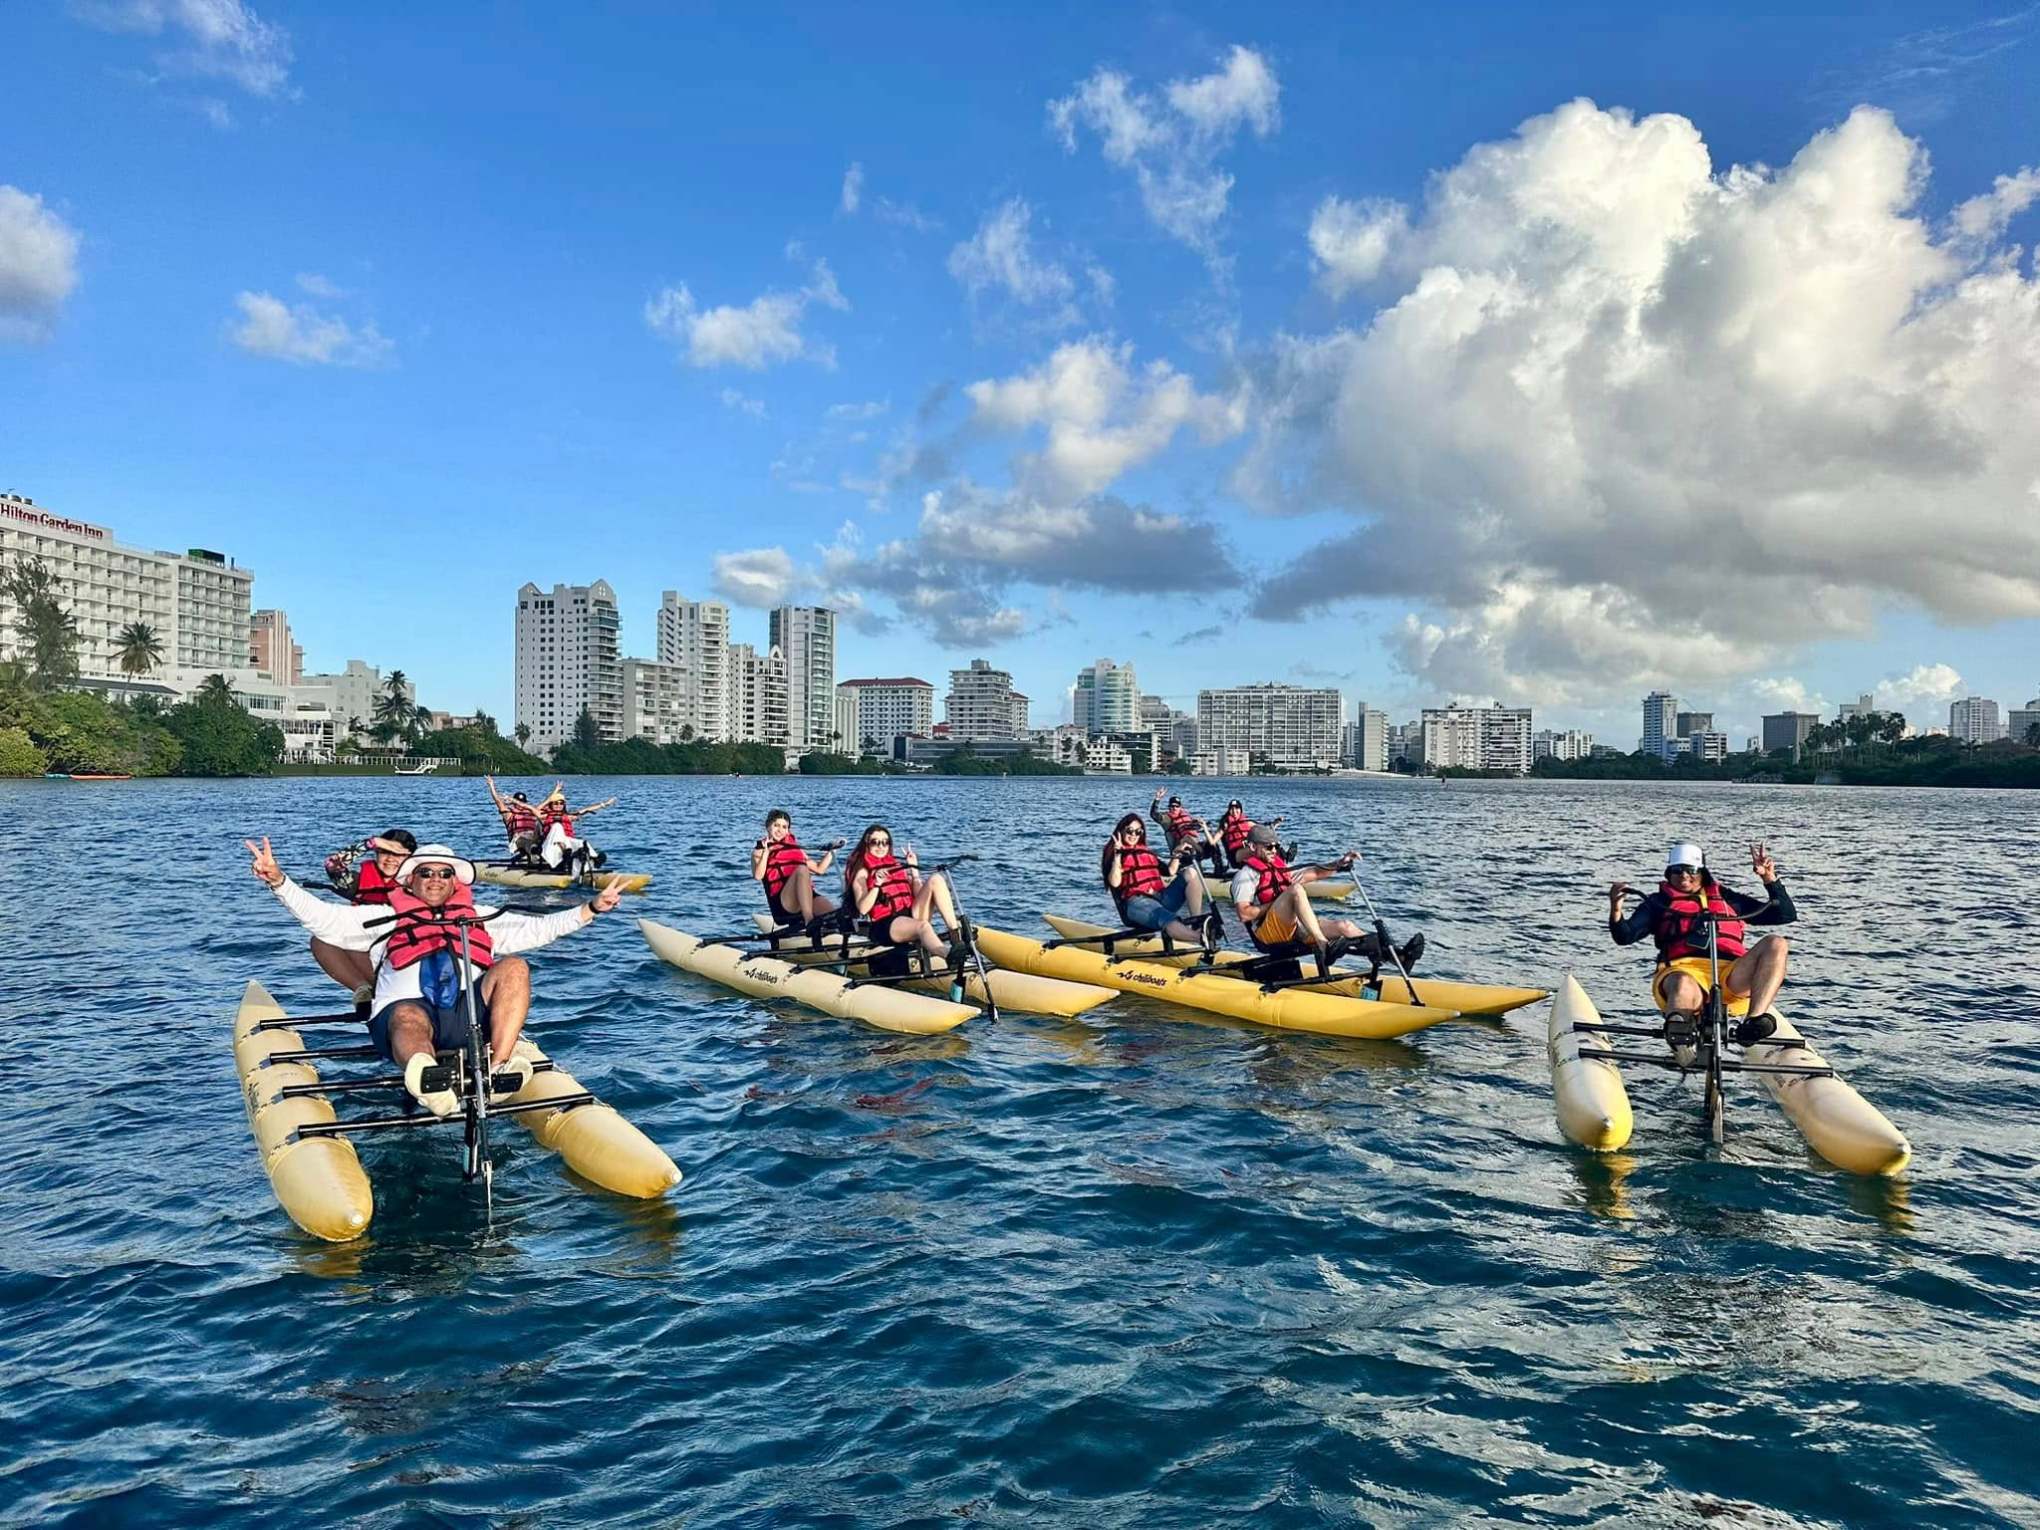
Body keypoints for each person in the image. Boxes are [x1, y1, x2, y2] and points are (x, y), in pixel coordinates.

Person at [247, 836, 622, 1116]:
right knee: (409, 1017)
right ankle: (426, 1079)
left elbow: (538, 929)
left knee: (515, 967)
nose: (436, 879)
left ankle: (497, 1069)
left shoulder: (480, 914)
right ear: (410, 881)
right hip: (402, 1018)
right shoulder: (380, 916)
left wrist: (590, 908)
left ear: (455, 883)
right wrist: (279, 881)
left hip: (466, 1020)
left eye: (445, 874)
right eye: (426, 873)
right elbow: (322, 918)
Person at [1608, 841, 1794, 1043]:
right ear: (1669, 874)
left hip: (1730, 975)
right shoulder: (1657, 903)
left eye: (1691, 870)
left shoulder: (1726, 898)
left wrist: (1769, 879)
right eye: (1677, 870)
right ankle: (1680, 1032)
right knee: (1682, 983)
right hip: (1683, 972)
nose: (1684, 876)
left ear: (1702, 872)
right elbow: (1625, 936)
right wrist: (1616, 910)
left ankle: (1753, 1022)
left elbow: (1784, 915)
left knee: (1777, 943)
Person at [1230, 824, 1423, 973]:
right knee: (1296, 889)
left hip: (1293, 928)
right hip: (1267, 934)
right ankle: (1323, 944)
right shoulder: (1246, 876)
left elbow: (1314, 872)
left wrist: (1339, 863)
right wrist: (1280, 900)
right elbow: (1245, 915)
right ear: (1253, 847)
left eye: (1276, 846)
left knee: (1344, 926)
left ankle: (1397, 957)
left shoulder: (1278, 867)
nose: (1274, 850)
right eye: (1268, 846)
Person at [843, 824, 966, 969]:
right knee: (923, 926)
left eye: (885, 842)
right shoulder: (862, 873)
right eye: (875, 842)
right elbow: (863, 908)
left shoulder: (894, 866)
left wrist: (914, 869)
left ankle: (955, 938)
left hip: (909, 914)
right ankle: (947, 955)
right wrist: (876, 884)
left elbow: (916, 894)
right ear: (866, 844)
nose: (881, 846)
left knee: (936, 879)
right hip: (886, 924)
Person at [313, 829, 417, 998]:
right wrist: (369, 844)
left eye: (398, 854)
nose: (390, 859)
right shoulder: (358, 882)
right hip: (366, 952)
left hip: (400, 954)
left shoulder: (419, 883)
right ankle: (363, 991)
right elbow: (332, 865)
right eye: (384, 852)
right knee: (320, 939)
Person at [1101, 811, 1220, 955]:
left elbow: (1170, 871)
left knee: (1191, 873)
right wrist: (1118, 856)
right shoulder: (1115, 854)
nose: (1133, 835)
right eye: (1129, 831)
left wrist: (1177, 854)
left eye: (1138, 831)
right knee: (1165, 917)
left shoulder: (1146, 853)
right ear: (1121, 831)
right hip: (1137, 903)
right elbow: (1114, 883)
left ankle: (1196, 923)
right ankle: (1199, 938)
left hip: (1161, 898)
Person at [753, 809, 844, 929]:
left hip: (807, 897)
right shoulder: (759, 851)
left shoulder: (794, 848)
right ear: (768, 826)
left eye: (784, 827)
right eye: (776, 825)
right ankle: (809, 920)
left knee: (833, 916)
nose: (780, 830)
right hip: (784, 903)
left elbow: (819, 869)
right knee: (802, 869)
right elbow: (758, 875)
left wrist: (833, 850)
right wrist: (766, 852)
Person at [536, 787, 617, 877]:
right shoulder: (544, 815)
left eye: (561, 803)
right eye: (555, 803)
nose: (558, 805)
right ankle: (564, 855)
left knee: (581, 843)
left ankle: (594, 860)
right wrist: (554, 792)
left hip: (567, 841)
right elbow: (537, 809)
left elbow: (586, 809)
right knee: (557, 826)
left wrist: (605, 804)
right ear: (551, 804)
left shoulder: (568, 815)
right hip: (551, 844)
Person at [1214, 799, 1288, 872]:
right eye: (1232, 809)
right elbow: (1213, 841)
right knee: (1256, 850)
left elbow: (1264, 830)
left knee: (1269, 847)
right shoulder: (1225, 825)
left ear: (1241, 810)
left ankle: (1283, 859)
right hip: (1236, 856)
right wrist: (1205, 827)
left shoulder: (1248, 823)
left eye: (1237, 808)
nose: (1234, 811)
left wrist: (1274, 824)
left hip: (1248, 848)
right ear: (1229, 811)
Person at [484, 776, 543, 860]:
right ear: (513, 803)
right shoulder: (509, 814)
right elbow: (498, 801)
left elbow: (544, 804)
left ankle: (541, 852)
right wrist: (491, 786)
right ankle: (532, 853)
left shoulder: (531, 812)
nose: (519, 806)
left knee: (541, 824)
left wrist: (555, 791)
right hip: (518, 840)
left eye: (521, 803)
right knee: (525, 839)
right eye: (517, 804)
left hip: (532, 837)